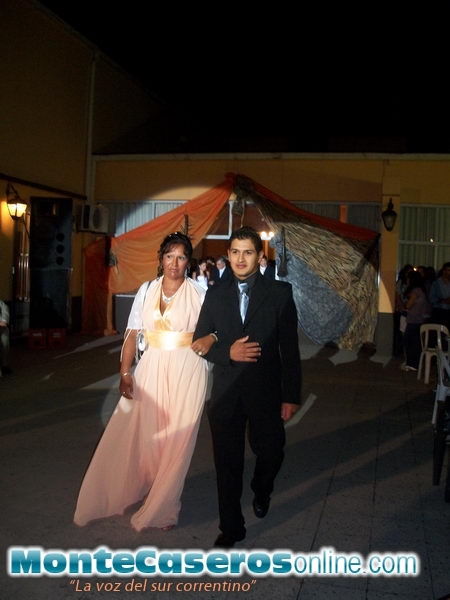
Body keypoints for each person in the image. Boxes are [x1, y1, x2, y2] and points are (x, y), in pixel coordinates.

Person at [74, 232, 215, 531]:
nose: (174, 263)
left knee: (179, 440)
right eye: (169, 256)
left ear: (189, 262)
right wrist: (125, 372)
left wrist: (212, 337)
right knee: (149, 436)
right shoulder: (147, 290)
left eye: (181, 257)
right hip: (150, 368)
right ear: (160, 259)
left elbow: (219, 327)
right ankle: (144, 486)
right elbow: (132, 333)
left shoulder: (200, 293)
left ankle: (164, 507)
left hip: (188, 369)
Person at [193, 226, 302, 548]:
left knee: (271, 451)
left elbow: (290, 350)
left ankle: (261, 488)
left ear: (259, 256)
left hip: (266, 391)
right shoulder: (215, 294)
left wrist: (290, 395)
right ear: (228, 255)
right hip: (226, 393)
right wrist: (226, 353)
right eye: (235, 252)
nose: (241, 259)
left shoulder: (279, 293)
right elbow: (200, 341)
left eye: (248, 252)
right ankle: (231, 527)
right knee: (227, 463)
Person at [401, 270, 431, 372]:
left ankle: (412, 363)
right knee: (416, 342)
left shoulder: (415, 291)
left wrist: (404, 304)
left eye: (408, 279)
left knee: (409, 342)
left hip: (413, 320)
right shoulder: (421, 290)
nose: (407, 281)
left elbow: (408, 305)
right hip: (419, 319)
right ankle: (415, 363)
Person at [430, 262, 450, 331]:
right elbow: (431, 299)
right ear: (444, 271)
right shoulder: (436, 283)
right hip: (439, 312)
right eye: (448, 270)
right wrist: (443, 300)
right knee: (439, 332)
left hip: (448, 312)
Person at [0, 299, 12, 376]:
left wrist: (3, 321)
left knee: (4, 338)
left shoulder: (0, 303)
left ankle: (4, 365)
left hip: (0, 327)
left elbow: (5, 310)